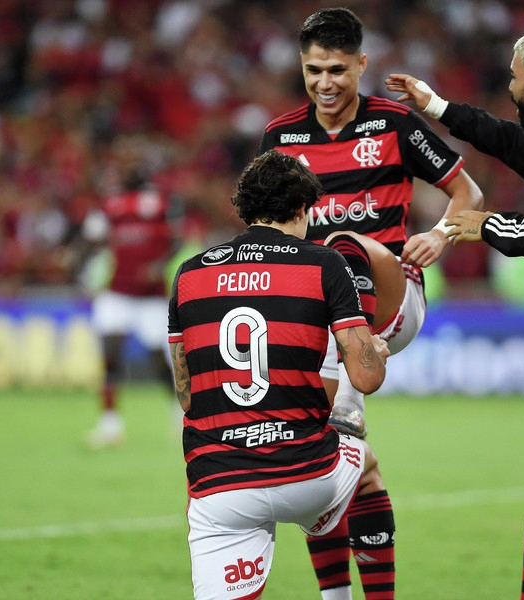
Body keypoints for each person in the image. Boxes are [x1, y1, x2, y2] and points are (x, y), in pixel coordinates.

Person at [257, 7, 483, 599]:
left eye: (336, 69)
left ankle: (351, 396)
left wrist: (441, 233)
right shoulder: (280, 138)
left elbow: (468, 191)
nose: (324, 83)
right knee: (330, 471)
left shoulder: (396, 125)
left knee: (340, 245)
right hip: (317, 325)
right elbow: (265, 230)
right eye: (312, 71)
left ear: (360, 64)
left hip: (390, 301)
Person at [386, 24, 524, 600]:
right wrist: (437, 107)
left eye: (512, 76)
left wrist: (487, 227)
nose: (508, 86)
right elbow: (511, 143)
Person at [167, 149, 390, 600]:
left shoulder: (189, 274)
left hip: (218, 486)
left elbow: (187, 396)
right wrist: (375, 351)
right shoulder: (324, 263)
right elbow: (365, 379)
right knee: (363, 463)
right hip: (307, 476)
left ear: (245, 207)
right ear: (304, 208)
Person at [81, 133, 183, 449]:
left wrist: (160, 264)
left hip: (151, 295)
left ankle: (179, 414)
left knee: (158, 361)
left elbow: (177, 239)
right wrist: (85, 267)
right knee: (109, 354)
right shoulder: (108, 202)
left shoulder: (162, 201)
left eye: (135, 163)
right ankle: (110, 424)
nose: (130, 169)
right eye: (125, 163)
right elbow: (92, 237)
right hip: (117, 291)